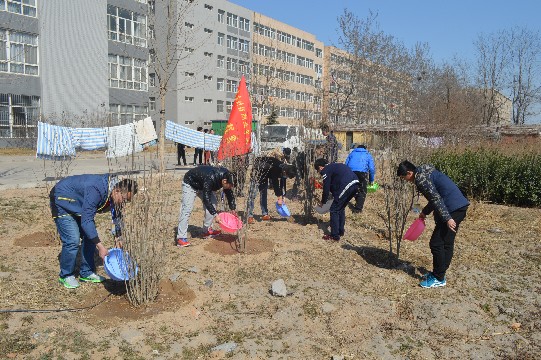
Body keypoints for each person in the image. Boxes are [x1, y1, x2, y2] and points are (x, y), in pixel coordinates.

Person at [50, 175, 138, 289]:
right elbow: (87, 221)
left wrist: (118, 238)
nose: (124, 203)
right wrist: (101, 247)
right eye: (125, 199)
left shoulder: (114, 194)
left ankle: (86, 272)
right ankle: (66, 275)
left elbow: (117, 218)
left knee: (90, 237)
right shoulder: (96, 189)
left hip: (79, 203)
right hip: (62, 199)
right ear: (117, 191)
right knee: (73, 240)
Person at [397, 160, 469, 289]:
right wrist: (424, 212)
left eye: (404, 178)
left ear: (409, 172)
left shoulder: (421, 179)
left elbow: (436, 198)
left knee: (436, 243)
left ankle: (439, 278)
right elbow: (435, 196)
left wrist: (447, 218)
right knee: (446, 242)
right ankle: (440, 273)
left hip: (452, 209)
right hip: (459, 205)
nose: (405, 180)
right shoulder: (425, 172)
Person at [176, 165, 237, 247]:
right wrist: (215, 215)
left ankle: (207, 231)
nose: (230, 188)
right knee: (186, 209)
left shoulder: (227, 176)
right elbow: (206, 199)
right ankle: (181, 238)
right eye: (230, 186)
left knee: (214, 203)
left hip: (203, 185)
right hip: (190, 183)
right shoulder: (210, 178)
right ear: (224, 181)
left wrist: (233, 208)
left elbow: (229, 194)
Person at [314, 158, 359, 241]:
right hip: (355, 184)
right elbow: (334, 184)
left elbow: (326, 188)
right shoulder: (334, 166)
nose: (319, 173)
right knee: (340, 208)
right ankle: (340, 231)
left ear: (320, 167)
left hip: (347, 185)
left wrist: (323, 202)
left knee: (334, 210)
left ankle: (334, 236)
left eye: (318, 170)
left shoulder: (326, 170)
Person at [247, 156, 296, 224]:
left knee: (264, 194)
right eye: (287, 175)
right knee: (252, 195)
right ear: (285, 171)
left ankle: (265, 214)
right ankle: (249, 215)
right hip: (258, 172)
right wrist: (279, 197)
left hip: (266, 174)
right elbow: (275, 183)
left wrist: (283, 196)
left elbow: (283, 182)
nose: (286, 177)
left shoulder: (284, 169)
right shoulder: (276, 168)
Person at [345, 144, 376, 212]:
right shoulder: (368, 154)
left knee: (353, 188)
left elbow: (346, 165)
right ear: (365, 149)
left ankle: (355, 197)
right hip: (362, 173)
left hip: (351, 173)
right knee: (362, 190)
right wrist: (371, 180)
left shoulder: (352, 153)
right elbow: (371, 169)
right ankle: (358, 208)